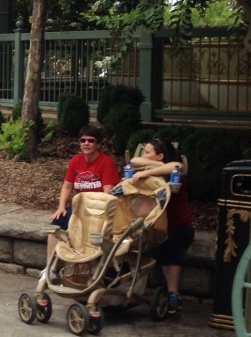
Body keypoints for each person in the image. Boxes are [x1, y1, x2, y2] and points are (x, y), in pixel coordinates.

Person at [43, 125, 120, 274]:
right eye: (82, 140)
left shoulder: (106, 162)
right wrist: (61, 207)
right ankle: (50, 269)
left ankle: (88, 266)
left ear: (98, 144)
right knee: (55, 226)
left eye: (91, 140)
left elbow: (108, 193)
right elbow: (67, 186)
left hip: (99, 207)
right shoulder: (75, 161)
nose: (86, 143)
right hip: (79, 206)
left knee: (87, 230)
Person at [131, 137, 193, 315]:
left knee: (168, 244)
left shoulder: (174, 171)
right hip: (151, 225)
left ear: (159, 157)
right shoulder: (142, 168)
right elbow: (133, 161)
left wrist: (148, 173)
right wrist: (146, 169)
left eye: (147, 152)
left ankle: (174, 295)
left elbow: (177, 166)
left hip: (177, 226)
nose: (143, 155)